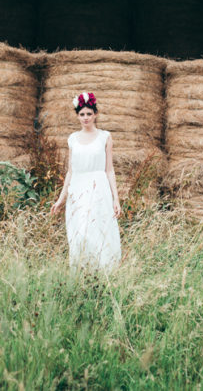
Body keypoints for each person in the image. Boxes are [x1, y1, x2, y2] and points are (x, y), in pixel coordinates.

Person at [50, 92, 122, 273]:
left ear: (95, 114)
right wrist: (61, 199)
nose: (85, 118)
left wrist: (116, 199)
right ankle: (83, 272)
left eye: (89, 114)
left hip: (99, 188)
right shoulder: (72, 139)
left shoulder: (105, 137)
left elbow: (109, 170)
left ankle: (103, 272)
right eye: (82, 114)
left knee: (98, 231)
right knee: (80, 232)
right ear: (77, 116)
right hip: (78, 189)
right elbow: (70, 171)